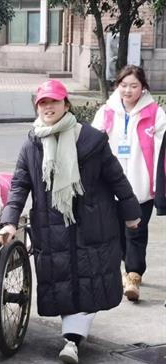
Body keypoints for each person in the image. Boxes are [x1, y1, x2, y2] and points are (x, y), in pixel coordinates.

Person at [0, 79, 141, 364]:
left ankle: (72, 340)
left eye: (53, 101)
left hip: (93, 225)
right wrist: (10, 220)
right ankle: (73, 338)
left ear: (66, 104)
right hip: (52, 227)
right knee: (64, 282)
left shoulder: (92, 140)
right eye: (42, 102)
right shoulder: (32, 144)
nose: (48, 107)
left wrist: (131, 212)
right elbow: (19, 185)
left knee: (90, 283)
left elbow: (116, 178)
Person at [91, 65, 166, 301]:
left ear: (143, 87)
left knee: (137, 231)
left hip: (141, 185)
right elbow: (92, 143)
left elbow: (162, 149)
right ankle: (125, 267)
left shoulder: (155, 113)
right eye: (124, 85)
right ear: (117, 86)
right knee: (116, 233)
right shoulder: (106, 111)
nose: (128, 90)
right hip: (111, 186)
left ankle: (134, 274)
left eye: (134, 86)